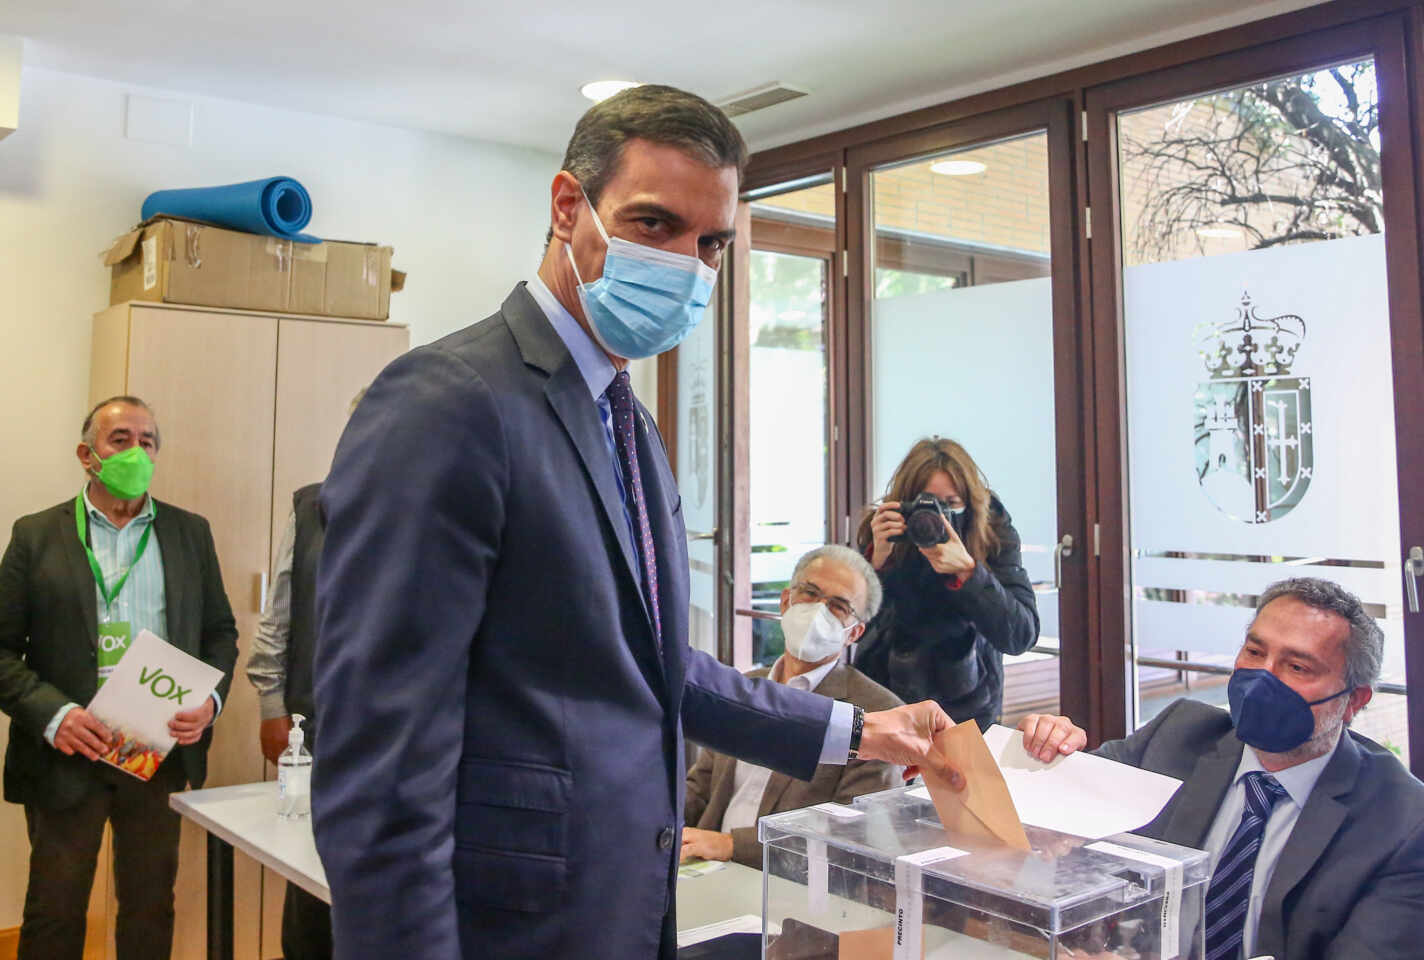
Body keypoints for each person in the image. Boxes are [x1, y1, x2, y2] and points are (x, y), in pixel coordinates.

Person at [311, 84, 960, 960]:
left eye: (712, 244)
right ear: (567, 206)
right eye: (655, 225)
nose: (688, 267)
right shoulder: (450, 401)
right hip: (507, 923)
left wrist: (856, 730)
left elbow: (653, 670)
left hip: (620, 904)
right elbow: (382, 765)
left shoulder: (627, 418)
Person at [1020, 577, 1424, 960]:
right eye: (1254, 652)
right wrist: (1043, 753)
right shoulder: (1179, 734)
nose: (1262, 677)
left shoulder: (1403, 825)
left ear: (1354, 701)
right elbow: (1051, 815)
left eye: (1297, 667)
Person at [0, 396, 238, 960]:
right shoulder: (35, 535)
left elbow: (220, 633)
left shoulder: (190, 533)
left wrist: (210, 702)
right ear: (87, 454)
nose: (136, 451)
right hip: (67, 751)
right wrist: (54, 715)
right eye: (120, 439)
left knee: (150, 906)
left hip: (155, 750)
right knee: (54, 909)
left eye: (148, 441)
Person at [682, 545, 904, 868]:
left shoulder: (874, 716)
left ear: (854, 632)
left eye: (838, 606)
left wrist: (732, 845)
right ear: (785, 600)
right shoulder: (744, 689)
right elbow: (699, 788)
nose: (818, 611)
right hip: (702, 867)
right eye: (810, 593)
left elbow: (851, 836)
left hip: (785, 889)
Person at [853, 437, 1039, 728]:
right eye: (927, 503)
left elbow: (1020, 636)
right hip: (884, 698)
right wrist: (875, 565)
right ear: (905, 501)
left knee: (959, 774)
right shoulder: (884, 530)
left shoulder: (992, 532)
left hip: (969, 704)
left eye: (950, 504)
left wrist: (969, 573)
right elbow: (850, 628)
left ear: (970, 501)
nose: (937, 516)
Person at [245, 481, 330, 960]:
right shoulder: (311, 506)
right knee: (309, 883)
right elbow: (278, 611)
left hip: (409, 734)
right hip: (316, 727)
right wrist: (271, 704)